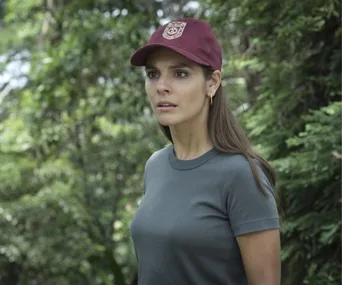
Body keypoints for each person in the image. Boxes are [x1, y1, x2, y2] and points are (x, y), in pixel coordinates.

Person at [129, 18, 281, 285]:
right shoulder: (155, 166)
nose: (161, 86)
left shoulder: (242, 175)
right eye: (153, 74)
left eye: (180, 73)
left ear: (212, 83)